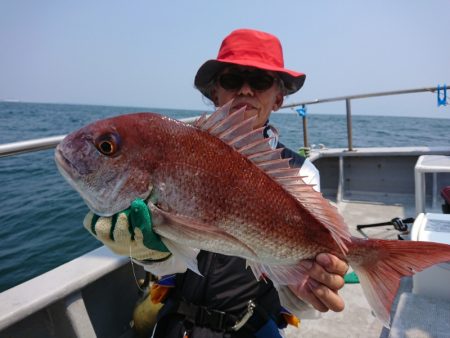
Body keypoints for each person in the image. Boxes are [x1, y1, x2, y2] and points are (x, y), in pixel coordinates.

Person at [85, 28, 349, 337]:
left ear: (278, 98)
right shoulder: (177, 152)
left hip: (253, 326)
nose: (246, 90)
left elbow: (296, 298)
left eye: (261, 81)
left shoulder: (298, 173)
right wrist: (148, 252)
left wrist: (302, 293)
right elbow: (171, 264)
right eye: (232, 79)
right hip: (177, 322)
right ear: (215, 93)